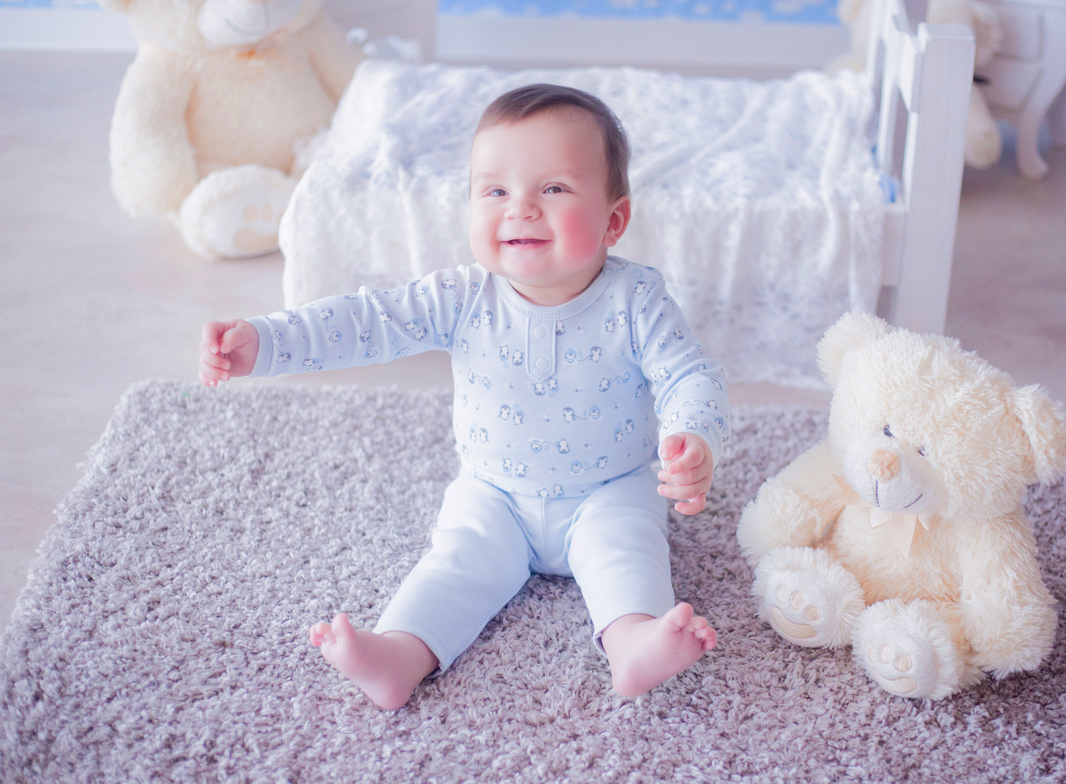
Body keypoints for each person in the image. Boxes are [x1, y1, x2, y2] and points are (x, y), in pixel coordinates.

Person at [197, 84, 731, 709]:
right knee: (455, 563)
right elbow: (364, 323)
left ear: (614, 220)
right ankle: (399, 653)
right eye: (496, 190)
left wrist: (693, 440)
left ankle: (633, 642)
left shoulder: (635, 299)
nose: (521, 208)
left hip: (610, 487)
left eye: (553, 188)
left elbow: (689, 374)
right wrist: (264, 341)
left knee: (629, 551)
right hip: (494, 491)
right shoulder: (461, 297)